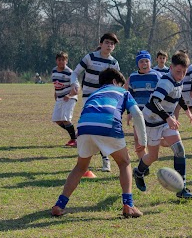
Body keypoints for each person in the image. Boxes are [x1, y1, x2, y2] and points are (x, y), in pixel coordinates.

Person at [51, 68, 147, 218]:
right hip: (108, 126)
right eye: (121, 84)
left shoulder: (93, 94)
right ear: (115, 82)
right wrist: (143, 141)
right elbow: (138, 114)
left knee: (80, 167)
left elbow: (85, 113)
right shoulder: (123, 92)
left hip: (83, 128)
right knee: (124, 163)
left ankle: (60, 204)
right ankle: (128, 205)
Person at [132, 51, 192, 199]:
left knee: (179, 150)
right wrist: (168, 118)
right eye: (178, 71)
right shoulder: (166, 82)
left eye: (184, 72)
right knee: (153, 156)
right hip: (152, 121)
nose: (181, 75)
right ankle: (139, 172)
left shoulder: (178, 79)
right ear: (171, 67)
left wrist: (187, 111)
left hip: (166, 119)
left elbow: (178, 95)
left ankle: (182, 188)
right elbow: (155, 102)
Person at [70, 32, 120, 173]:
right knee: (88, 128)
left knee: (101, 128)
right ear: (100, 44)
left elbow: (117, 82)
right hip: (88, 97)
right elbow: (75, 73)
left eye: (112, 44)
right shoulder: (90, 57)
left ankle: (105, 159)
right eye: (107, 42)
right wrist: (75, 84)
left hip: (104, 99)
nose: (109, 45)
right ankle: (84, 159)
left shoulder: (114, 63)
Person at [127, 50, 162, 160]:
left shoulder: (156, 76)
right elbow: (130, 96)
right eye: (141, 61)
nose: (144, 63)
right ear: (138, 63)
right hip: (138, 112)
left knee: (153, 138)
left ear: (150, 62)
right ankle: (143, 161)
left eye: (147, 61)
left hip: (153, 112)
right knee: (138, 137)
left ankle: (150, 156)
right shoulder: (133, 77)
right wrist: (129, 112)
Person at [51, 51, 79, 147]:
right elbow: (56, 84)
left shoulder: (70, 72)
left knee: (65, 118)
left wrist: (70, 95)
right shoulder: (54, 71)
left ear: (66, 61)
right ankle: (75, 133)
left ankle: (74, 139)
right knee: (57, 119)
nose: (61, 62)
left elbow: (76, 89)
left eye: (63, 60)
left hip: (69, 98)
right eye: (59, 60)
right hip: (60, 98)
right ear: (56, 61)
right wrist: (56, 93)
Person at [174, 50, 192, 131]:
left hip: (188, 92)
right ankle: (174, 125)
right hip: (180, 92)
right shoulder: (178, 67)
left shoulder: (190, 67)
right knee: (176, 108)